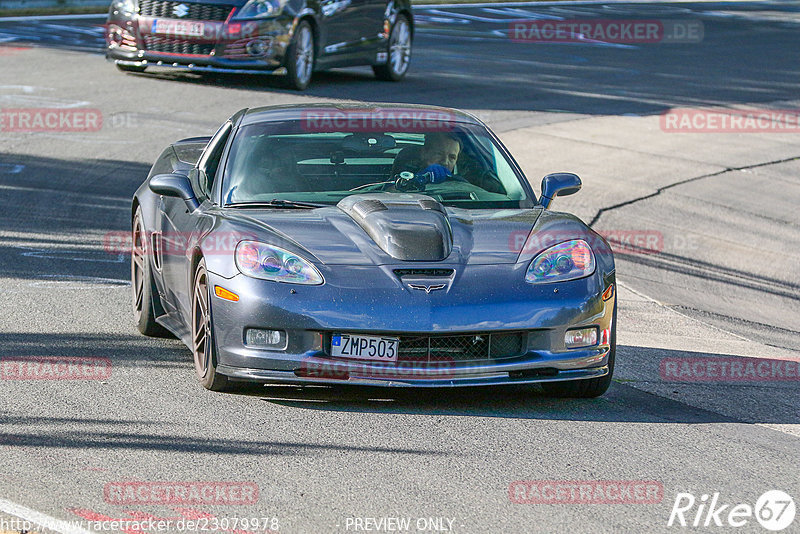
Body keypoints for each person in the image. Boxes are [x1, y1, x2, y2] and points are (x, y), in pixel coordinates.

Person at [391, 132, 463, 184]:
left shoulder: (461, 186)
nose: (445, 162)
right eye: (439, 154)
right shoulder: (400, 179)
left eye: (452, 157)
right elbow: (390, 194)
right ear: (424, 153)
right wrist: (417, 179)